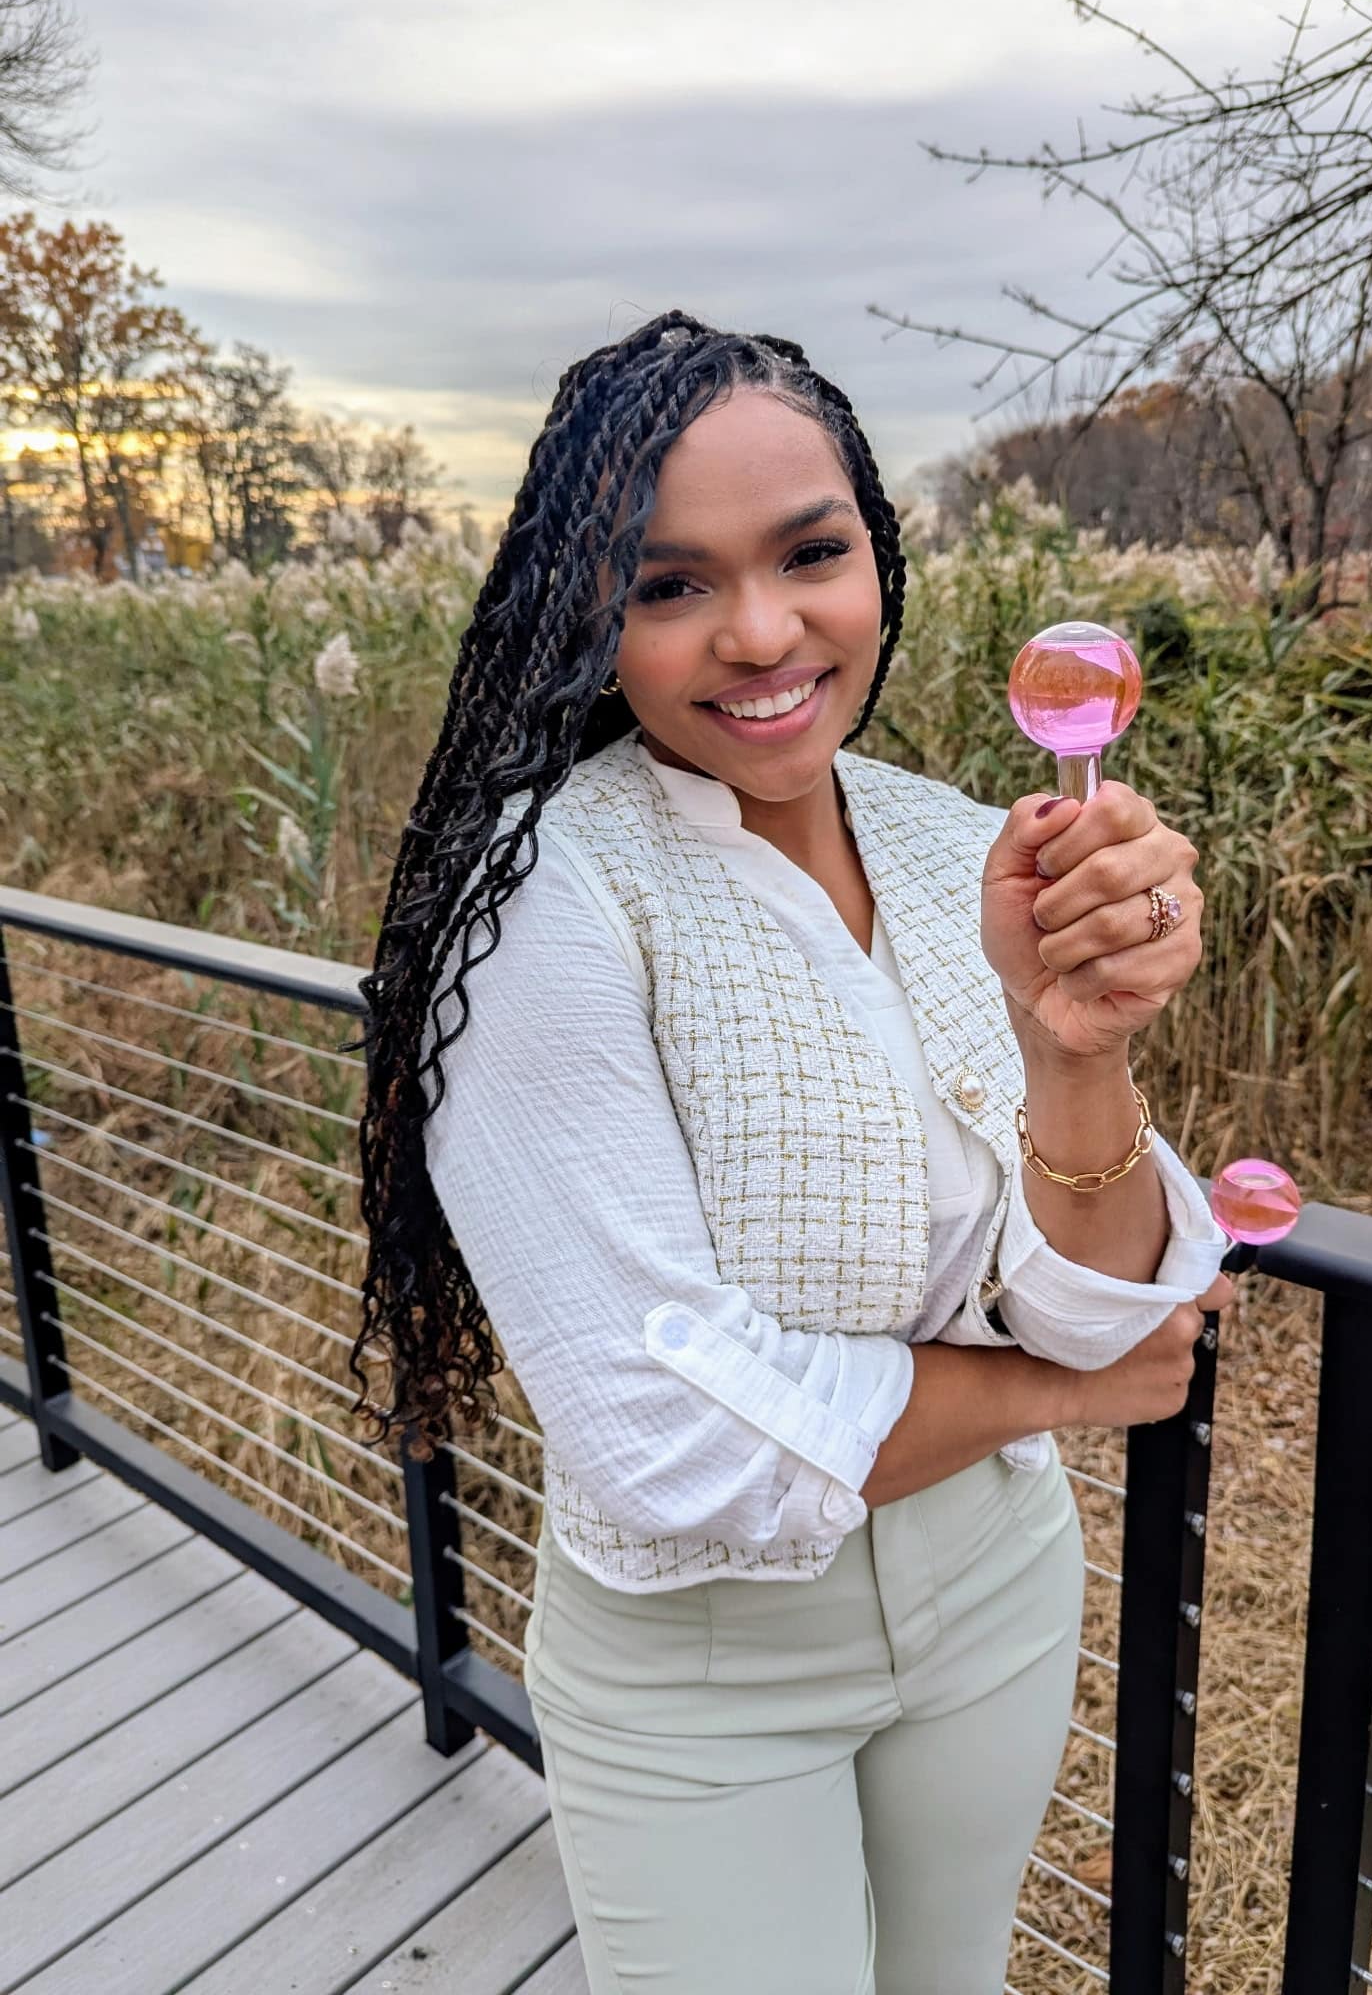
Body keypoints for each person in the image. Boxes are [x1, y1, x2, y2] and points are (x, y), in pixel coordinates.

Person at [348, 310, 1233, 1995]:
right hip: (705, 1665)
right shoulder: (535, 893)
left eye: (808, 554)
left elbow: (1092, 1305)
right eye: (667, 583)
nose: (761, 633)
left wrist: (1073, 1049)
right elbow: (664, 1443)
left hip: (993, 1590)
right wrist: (1057, 1399)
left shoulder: (953, 836)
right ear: (582, 613)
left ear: (872, 556)